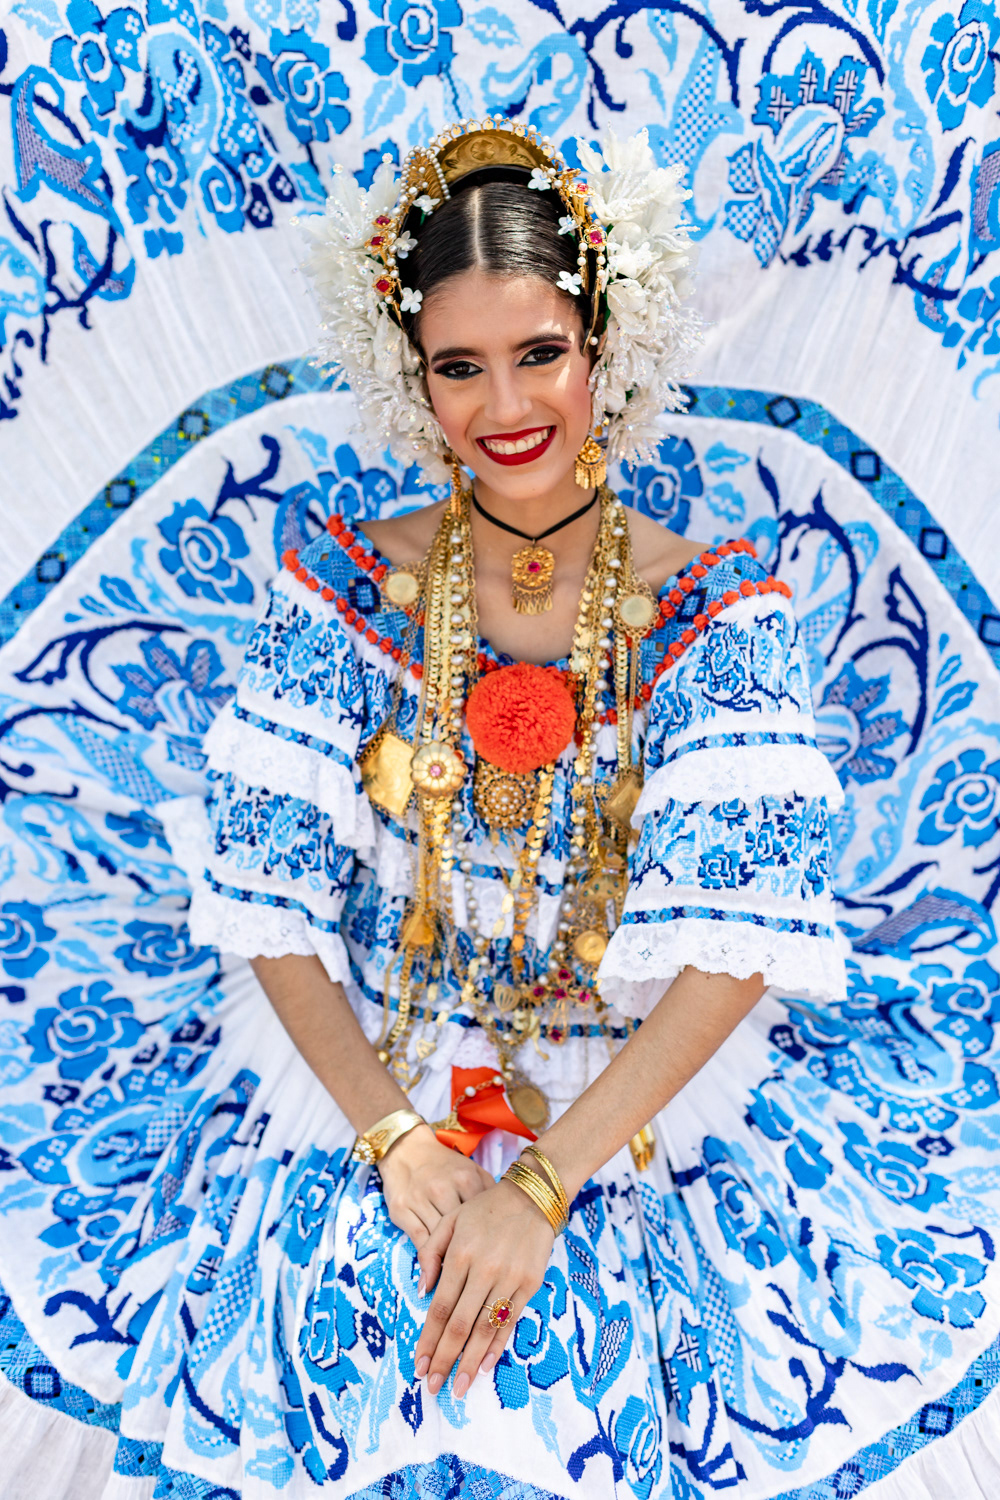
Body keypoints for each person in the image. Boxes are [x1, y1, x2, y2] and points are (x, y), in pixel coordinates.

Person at [2, 118, 993, 1500]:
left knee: (566, 1380)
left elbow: (734, 954)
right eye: (459, 367)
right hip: (370, 1067)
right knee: (345, 1350)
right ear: (413, 378)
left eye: (540, 353)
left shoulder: (713, 608)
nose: (506, 404)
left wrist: (540, 1188)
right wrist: (392, 1139)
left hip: (630, 1095)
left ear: (603, 345)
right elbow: (270, 901)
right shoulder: (348, 586)